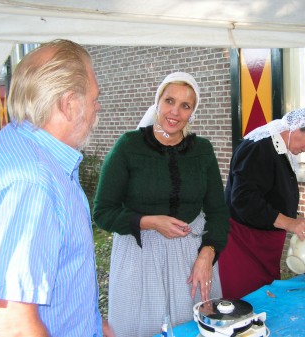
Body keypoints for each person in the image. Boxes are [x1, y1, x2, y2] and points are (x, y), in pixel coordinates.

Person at [93, 72, 230, 337]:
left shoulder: (203, 150)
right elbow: (102, 212)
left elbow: (217, 211)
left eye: (185, 106)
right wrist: (150, 222)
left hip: (192, 255)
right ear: (157, 102)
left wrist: (208, 253)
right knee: (143, 327)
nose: (175, 112)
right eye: (169, 101)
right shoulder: (128, 146)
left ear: (193, 112)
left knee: (191, 327)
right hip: (140, 251)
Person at [0, 40, 114, 336]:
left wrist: (99, 327)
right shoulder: (33, 182)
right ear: (69, 103)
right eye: (94, 98)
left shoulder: (17, 144)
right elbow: (12, 324)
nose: (98, 107)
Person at [219, 107, 305, 299]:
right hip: (243, 244)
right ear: (298, 127)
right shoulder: (258, 147)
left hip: (262, 243)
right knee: (248, 301)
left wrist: (298, 221)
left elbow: (271, 196)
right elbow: (244, 201)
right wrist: (289, 223)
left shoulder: (279, 149)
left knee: (265, 297)